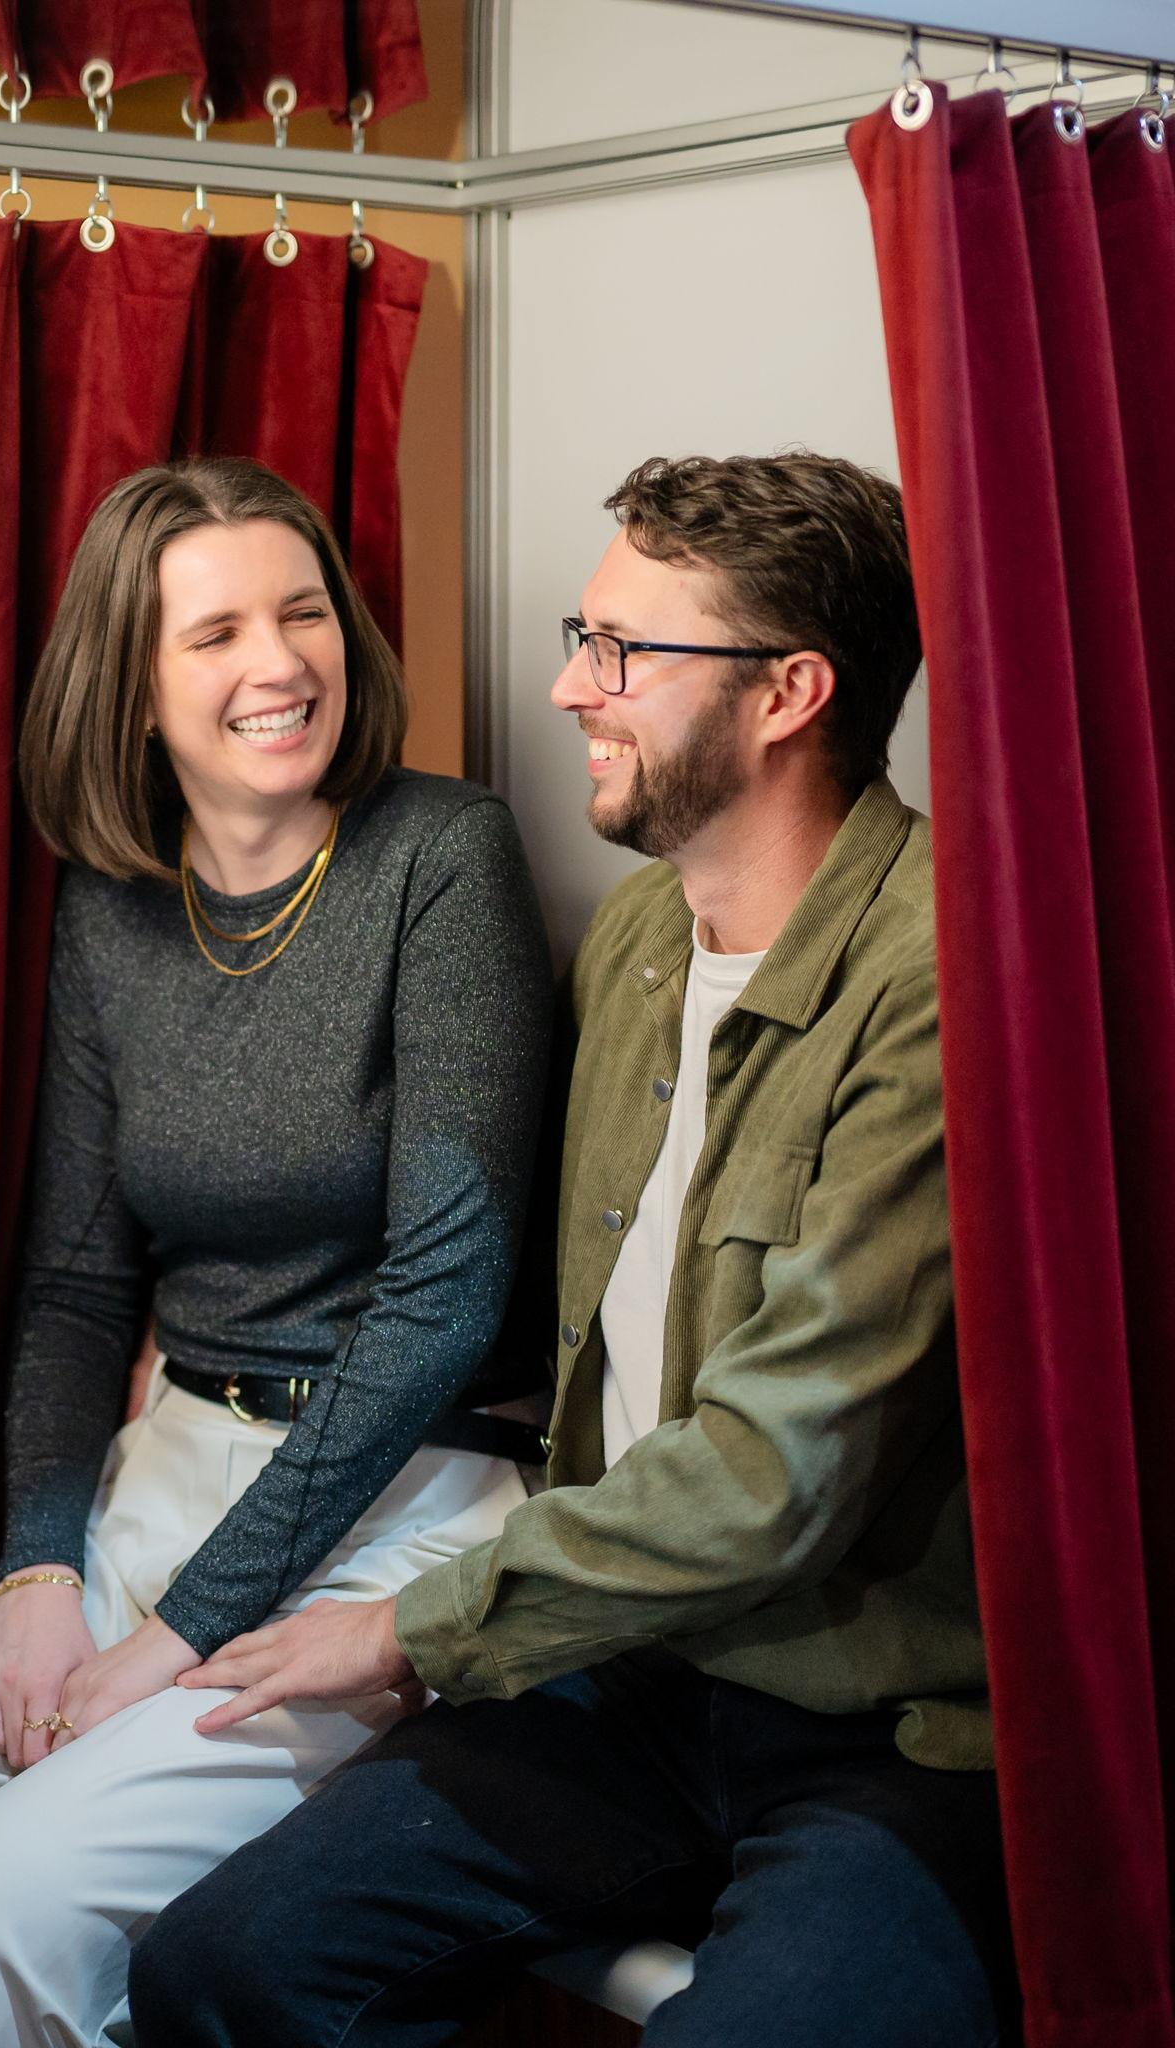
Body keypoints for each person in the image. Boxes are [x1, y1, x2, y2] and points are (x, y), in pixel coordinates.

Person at [129, 453, 1014, 2048]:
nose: (567, 687)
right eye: (580, 638)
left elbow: (774, 1474)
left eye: (620, 650)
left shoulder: (946, 980)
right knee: (223, 1963)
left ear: (788, 694)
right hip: (639, 1663)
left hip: (890, 1729)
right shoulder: (639, 937)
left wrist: (416, 1628)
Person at [0, 456, 554, 2048]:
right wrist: (40, 1570)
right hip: (161, 1476)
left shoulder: (443, 856)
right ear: (133, 686)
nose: (281, 663)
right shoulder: (115, 905)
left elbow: (445, 1297)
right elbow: (76, 1286)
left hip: (401, 1502)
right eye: (218, 632)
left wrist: (179, 1634)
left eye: (303, 613)